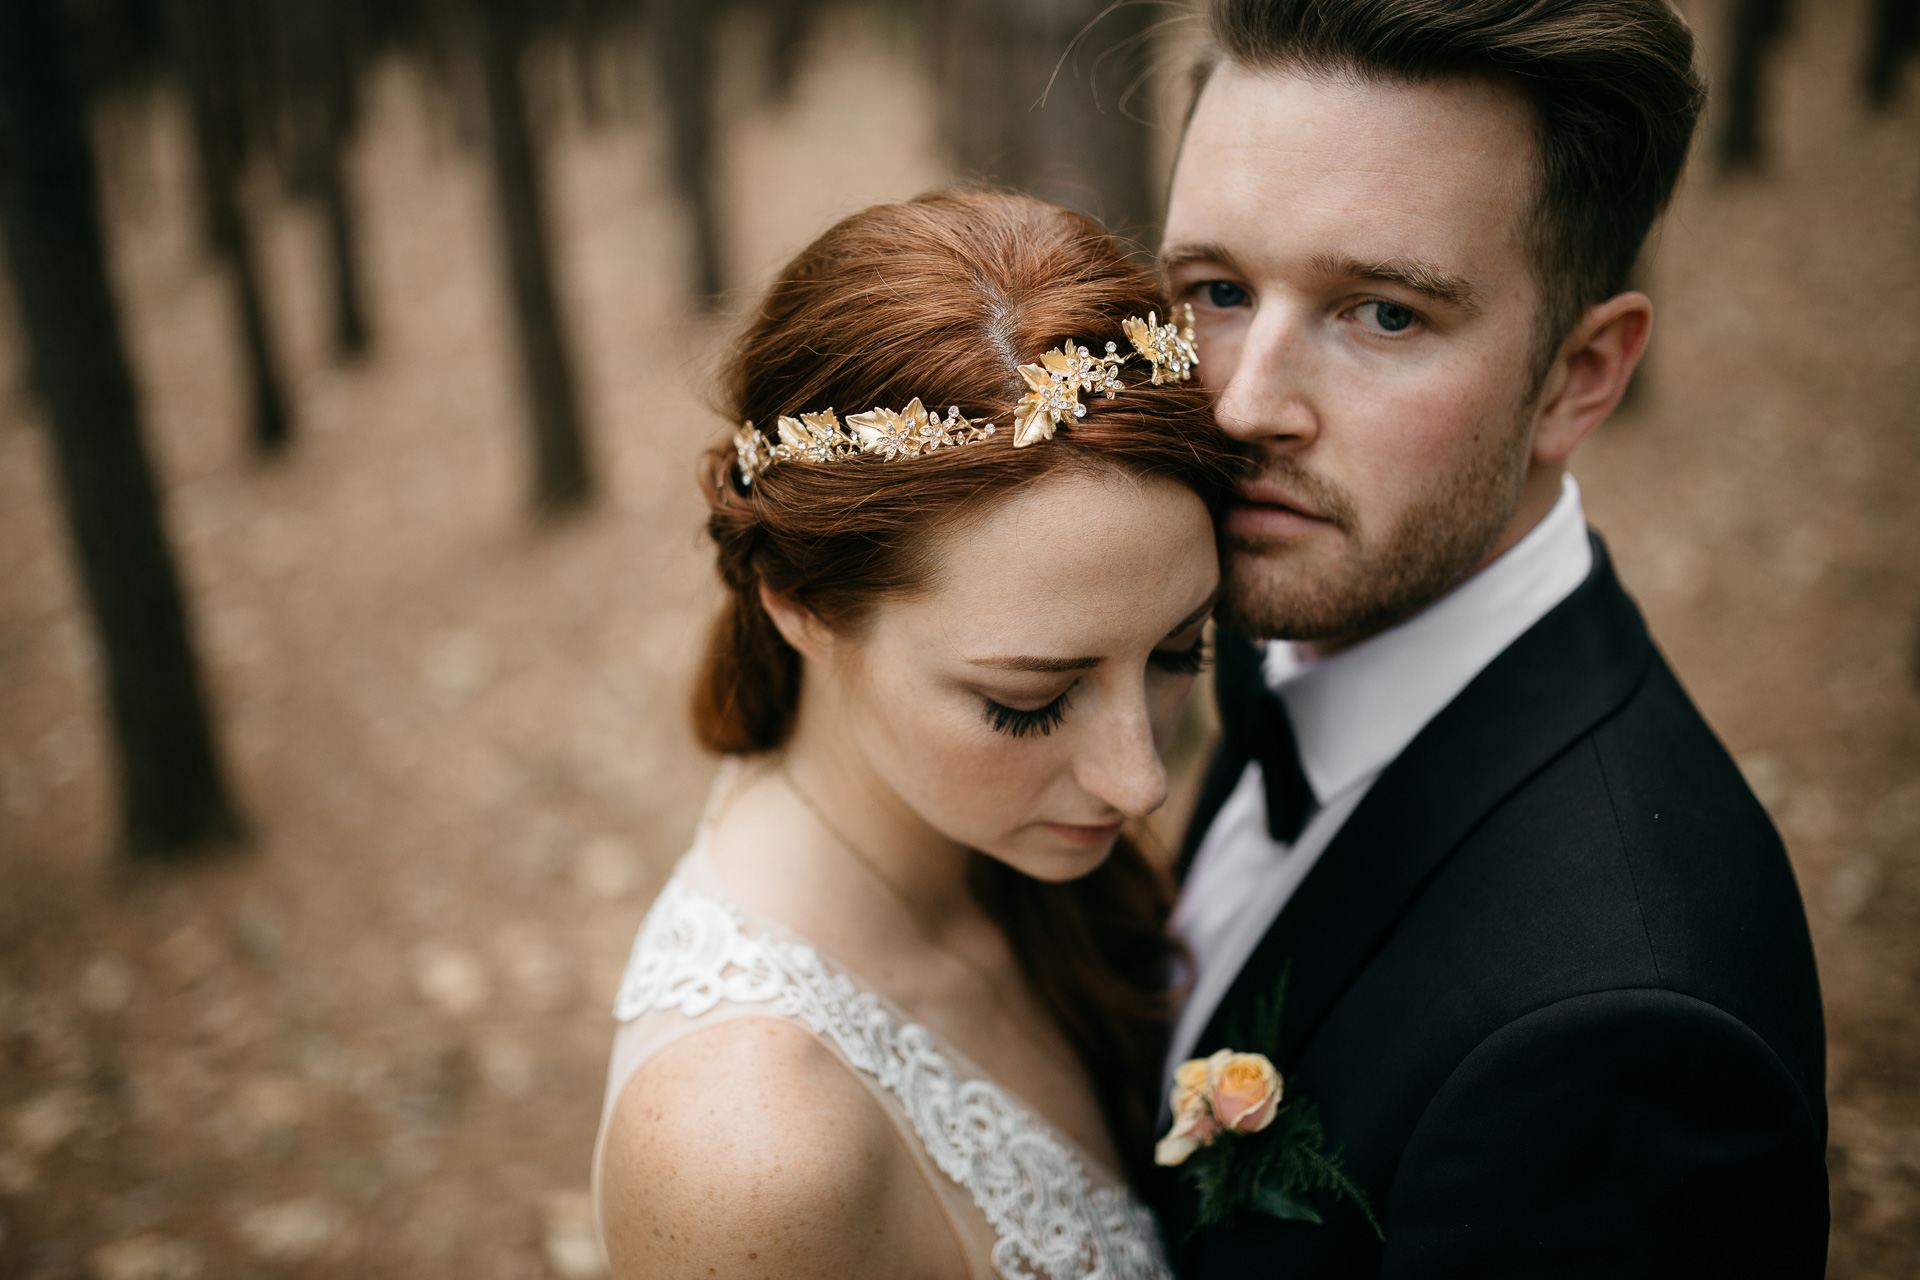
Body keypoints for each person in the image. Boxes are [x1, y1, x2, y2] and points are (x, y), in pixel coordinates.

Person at [1150, 0, 1829, 1275]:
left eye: (1384, 313)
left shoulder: (1629, 1039)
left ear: (1581, 375)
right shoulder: (1266, 628)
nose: (1244, 405)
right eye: (1218, 291)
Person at [592, 190, 1242, 1279]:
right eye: (1029, 701)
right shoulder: (749, 1154)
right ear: (798, 603)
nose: (1139, 783)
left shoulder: (1000, 854)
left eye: (1182, 651)